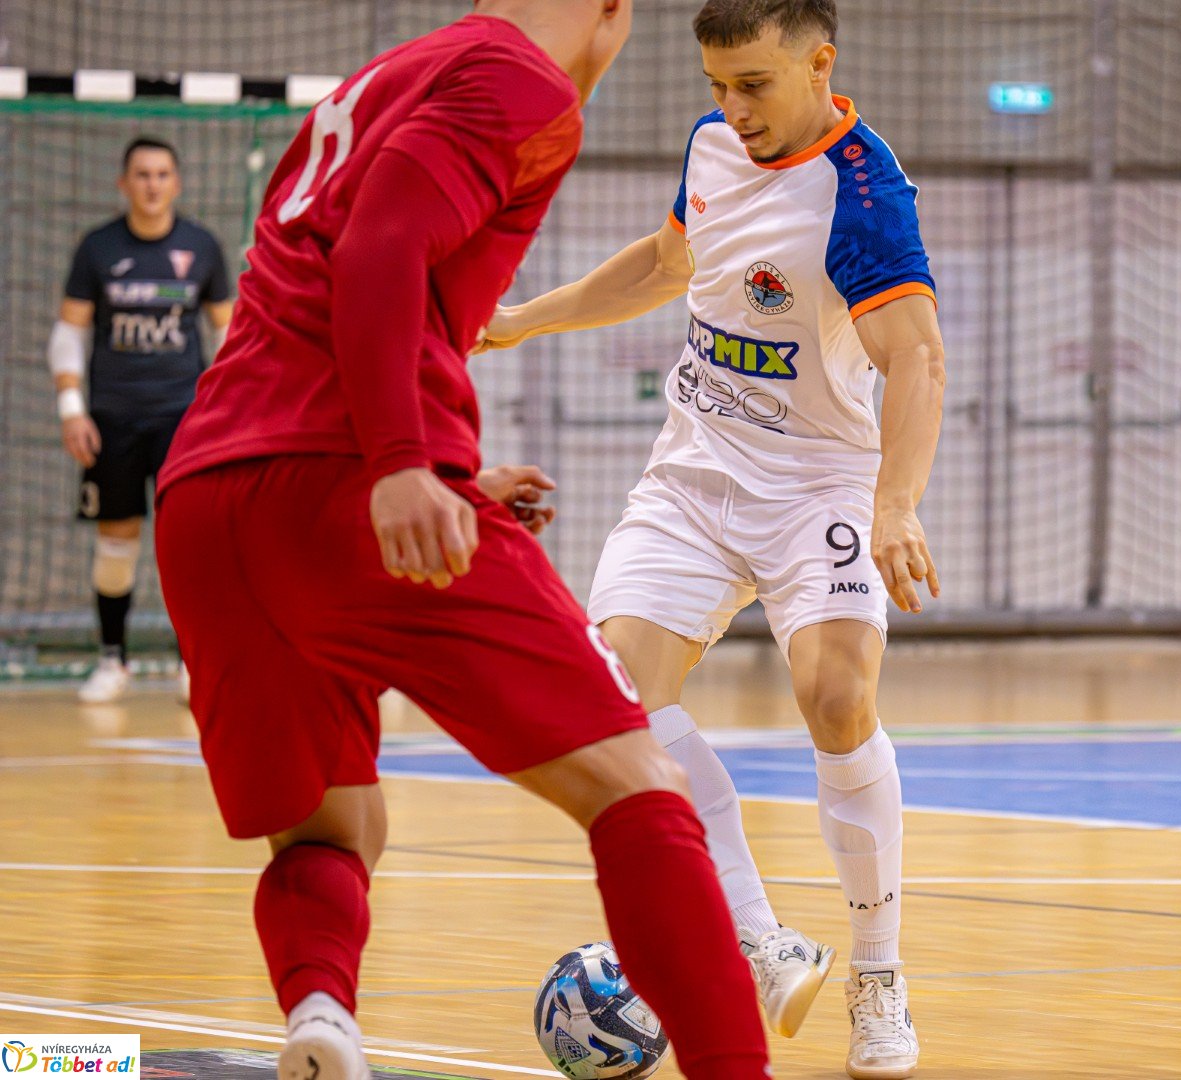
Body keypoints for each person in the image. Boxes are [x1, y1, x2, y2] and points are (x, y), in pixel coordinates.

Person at [153, 4, 770, 1079]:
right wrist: (401, 458)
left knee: (326, 830)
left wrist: (439, 463)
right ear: (614, 12)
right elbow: (384, 245)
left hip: (210, 495)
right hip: (345, 482)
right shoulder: (525, 84)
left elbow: (305, 286)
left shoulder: (380, 77)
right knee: (641, 789)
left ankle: (321, 1024)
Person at [481, 1, 945, 1074]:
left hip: (817, 484)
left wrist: (896, 504)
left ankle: (876, 974)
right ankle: (758, 932)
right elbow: (663, 263)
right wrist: (517, 320)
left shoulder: (864, 193)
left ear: (818, 63)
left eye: (754, 86)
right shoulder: (710, 148)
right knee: (614, 696)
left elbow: (914, 357)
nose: (731, 109)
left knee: (838, 698)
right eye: (716, 86)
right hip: (693, 478)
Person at [50, 136, 234, 704]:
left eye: (161, 174)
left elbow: (228, 334)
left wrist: (227, 412)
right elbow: (70, 334)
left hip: (185, 418)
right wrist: (72, 410)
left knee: (188, 544)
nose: (152, 184)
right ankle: (113, 661)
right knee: (117, 542)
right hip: (113, 418)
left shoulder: (201, 246)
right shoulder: (98, 248)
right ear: (123, 183)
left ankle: (191, 666)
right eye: (141, 174)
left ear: (176, 183)